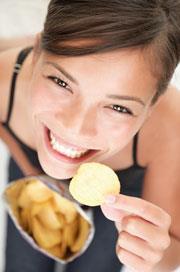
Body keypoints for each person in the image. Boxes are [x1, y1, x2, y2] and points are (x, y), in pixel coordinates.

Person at [0, 0, 180, 271]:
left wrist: (151, 258)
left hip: (122, 199)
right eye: (61, 82)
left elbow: (171, 250)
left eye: (118, 107)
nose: (76, 129)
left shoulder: (168, 130)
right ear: (36, 54)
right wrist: (31, 171)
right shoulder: (5, 81)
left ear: (152, 105)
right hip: (32, 169)